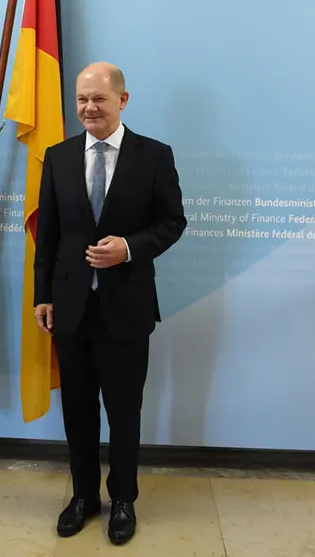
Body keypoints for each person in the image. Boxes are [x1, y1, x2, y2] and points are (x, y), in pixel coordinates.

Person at [33, 62, 186, 545]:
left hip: (127, 306)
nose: (88, 108)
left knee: (124, 412)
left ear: (123, 100)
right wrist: (43, 296)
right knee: (77, 410)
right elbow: (50, 236)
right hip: (71, 307)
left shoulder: (154, 156)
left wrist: (129, 247)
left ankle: (123, 499)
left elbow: (172, 222)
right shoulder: (57, 157)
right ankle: (82, 496)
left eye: (98, 98)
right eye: (81, 99)